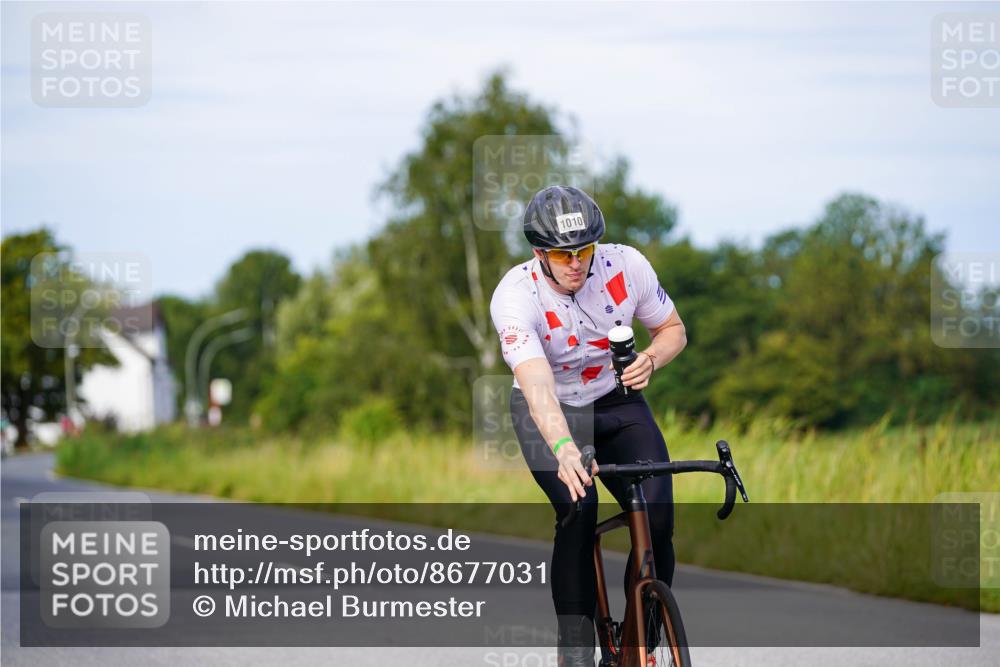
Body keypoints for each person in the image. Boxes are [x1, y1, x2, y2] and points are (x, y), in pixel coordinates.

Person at [489, 185, 687, 666]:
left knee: (658, 517)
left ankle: (640, 638)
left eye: (585, 251)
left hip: (616, 402)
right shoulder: (516, 297)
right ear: (540, 253)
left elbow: (673, 330)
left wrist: (651, 359)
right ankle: (576, 649)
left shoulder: (627, 266)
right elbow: (535, 383)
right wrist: (562, 446)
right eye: (563, 254)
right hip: (548, 412)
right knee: (579, 507)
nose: (577, 262)